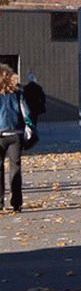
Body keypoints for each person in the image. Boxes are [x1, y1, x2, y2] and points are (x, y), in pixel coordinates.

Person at [0, 64, 32, 212]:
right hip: (16, 133)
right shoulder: (18, 93)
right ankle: (16, 202)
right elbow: (26, 113)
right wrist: (29, 128)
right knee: (15, 167)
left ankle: (0, 201)